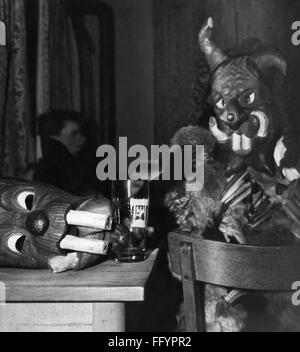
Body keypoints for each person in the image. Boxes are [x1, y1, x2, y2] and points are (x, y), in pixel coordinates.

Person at [34, 110, 95, 195]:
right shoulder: (49, 172)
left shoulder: (77, 165)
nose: (82, 139)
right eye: (74, 134)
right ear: (54, 136)